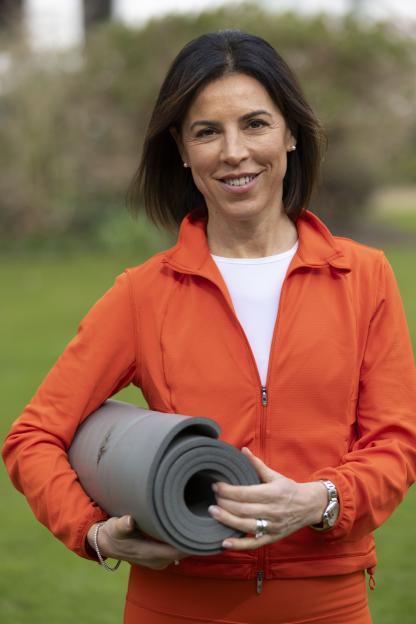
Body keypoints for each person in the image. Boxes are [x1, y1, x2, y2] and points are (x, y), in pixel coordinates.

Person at [3, 29, 416, 624]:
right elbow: (32, 437)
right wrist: (93, 533)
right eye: (207, 131)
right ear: (180, 148)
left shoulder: (364, 277)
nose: (234, 152)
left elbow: (396, 443)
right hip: (176, 604)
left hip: (326, 603)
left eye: (255, 124)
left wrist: (319, 500)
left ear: (292, 133)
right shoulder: (143, 294)